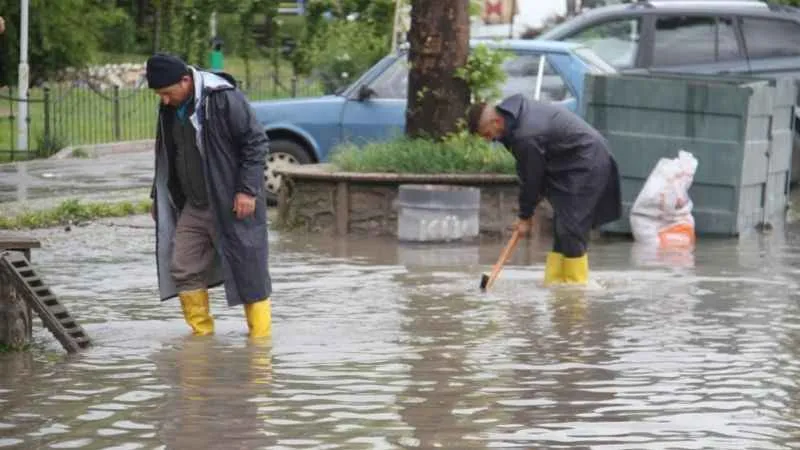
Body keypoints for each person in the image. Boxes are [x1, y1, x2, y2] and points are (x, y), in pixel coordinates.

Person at [146, 53, 272, 338]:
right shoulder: (170, 108)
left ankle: (260, 347)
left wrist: (247, 190)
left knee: (247, 273)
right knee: (182, 265)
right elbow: (167, 155)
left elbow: (256, 142)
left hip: (232, 201)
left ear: (185, 81)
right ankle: (201, 341)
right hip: (196, 202)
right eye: (159, 95)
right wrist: (158, 194)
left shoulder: (223, 98)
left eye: (167, 93)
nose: (164, 99)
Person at [467, 93, 621, 285]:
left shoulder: (526, 135)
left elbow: (532, 177)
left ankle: (576, 290)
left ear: (496, 121)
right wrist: (527, 212)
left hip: (587, 162)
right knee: (561, 228)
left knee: (570, 228)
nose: (489, 140)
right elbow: (529, 171)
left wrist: (525, 215)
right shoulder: (513, 120)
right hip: (568, 164)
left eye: (487, 135)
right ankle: (555, 284)